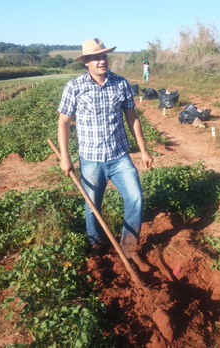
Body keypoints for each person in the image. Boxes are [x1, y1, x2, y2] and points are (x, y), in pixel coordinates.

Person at [57, 38, 153, 272]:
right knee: (93, 206)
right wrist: (65, 157)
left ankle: (130, 247)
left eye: (104, 56)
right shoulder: (74, 87)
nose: (102, 61)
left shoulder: (121, 84)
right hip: (90, 159)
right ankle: (97, 247)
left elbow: (132, 117)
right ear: (86, 62)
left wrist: (143, 150)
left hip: (119, 156)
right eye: (96, 58)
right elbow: (64, 122)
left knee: (135, 197)